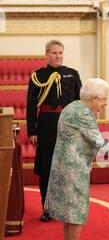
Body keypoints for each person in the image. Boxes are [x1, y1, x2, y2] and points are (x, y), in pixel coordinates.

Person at [44, 78, 109, 240]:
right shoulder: (84, 114)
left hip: (63, 165)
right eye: (105, 99)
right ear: (94, 97)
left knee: (70, 210)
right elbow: (101, 145)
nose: (106, 103)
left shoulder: (73, 106)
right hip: (73, 168)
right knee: (76, 210)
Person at [26, 40, 82, 222]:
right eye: (54, 53)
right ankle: (47, 207)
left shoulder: (72, 75)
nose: (58, 56)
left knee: (67, 167)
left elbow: (79, 104)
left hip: (67, 124)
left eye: (60, 53)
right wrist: (32, 131)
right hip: (46, 124)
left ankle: (66, 207)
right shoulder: (38, 76)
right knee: (46, 167)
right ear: (47, 55)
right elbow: (31, 105)